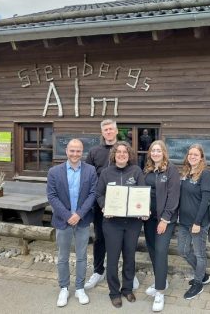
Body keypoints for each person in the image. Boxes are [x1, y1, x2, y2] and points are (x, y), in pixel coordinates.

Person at [84, 120, 140, 291]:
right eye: (105, 129)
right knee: (100, 239)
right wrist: (100, 204)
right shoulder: (94, 152)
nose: (108, 132)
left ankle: (129, 275)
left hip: (126, 209)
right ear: (102, 132)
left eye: (111, 129)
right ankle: (98, 270)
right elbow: (88, 177)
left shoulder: (126, 150)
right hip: (102, 206)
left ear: (116, 131)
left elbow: (136, 176)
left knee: (127, 243)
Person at [47, 139, 98, 307]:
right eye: (72, 151)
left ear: (82, 152)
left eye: (78, 151)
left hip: (82, 221)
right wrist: (68, 215)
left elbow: (92, 194)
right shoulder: (54, 171)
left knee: (82, 256)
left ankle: (80, 288)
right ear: (66, 151)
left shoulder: (90, 171)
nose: (75, 154)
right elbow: (52, 196)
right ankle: (64, 288)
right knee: (63, 256)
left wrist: (79, 214)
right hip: (63, 221)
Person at [96, 141, 147, 308]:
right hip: (112, 223)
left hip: (132, 223)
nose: (122, 155)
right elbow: (99, 194)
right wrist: (104, 207)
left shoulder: (136, 171)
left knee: (129, 257)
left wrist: (143, 209)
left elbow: (142, 193)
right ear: (114, 155)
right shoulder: (106, 173)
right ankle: (114, 292)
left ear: (129, 155)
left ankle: (127, 289)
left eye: (125, 152)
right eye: (118, 152)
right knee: (112, 258)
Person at [142, 140, 180, 312]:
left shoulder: (171, 170)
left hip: (165, 218)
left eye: (158, 150)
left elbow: (173, 197)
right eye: (153, 150)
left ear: (164, 152)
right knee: (151, 249)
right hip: (148, 217)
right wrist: (141, 210)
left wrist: (165, 219)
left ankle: (160, 292)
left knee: (161, 250)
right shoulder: (147, 169)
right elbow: (142, 192)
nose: (155, 153)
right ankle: (161, 280)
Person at [177, 144, 210, 300]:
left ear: (201, 157)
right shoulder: (185, 172)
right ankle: (203, 275)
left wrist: (197, 222)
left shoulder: (205, 174)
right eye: (190, 154)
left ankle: (198, 283)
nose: (192, 156)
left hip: (198, 222)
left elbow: (205, 200)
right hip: (184, 221)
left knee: (199, 254)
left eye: (196, 154)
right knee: (182, 251)